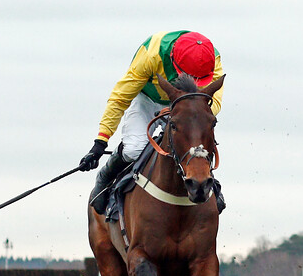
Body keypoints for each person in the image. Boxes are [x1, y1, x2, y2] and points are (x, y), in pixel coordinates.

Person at [78, 31, 227, 215]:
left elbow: (213, 105)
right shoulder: (150, 54)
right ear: (173, 59)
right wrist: (101, 141)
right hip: (147, 99)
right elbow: (120, 98)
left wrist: (184, 118)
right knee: (134, 149)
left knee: (189, 143)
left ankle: (209, 182)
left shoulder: (212, 58)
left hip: (188, 107)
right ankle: (106, 177)